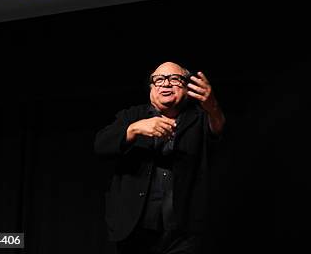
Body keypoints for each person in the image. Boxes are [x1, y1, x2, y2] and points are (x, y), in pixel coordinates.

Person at [94, 61, 226, 254]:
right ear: (151, 87)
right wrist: (135, 129)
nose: (166, 84)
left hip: (184, 232)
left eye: (175, 79)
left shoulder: (199, 118)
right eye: (159, 79)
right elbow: (100, 145)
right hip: (134, 229)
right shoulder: (133, 115)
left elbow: (219, 131)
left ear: (187, 87)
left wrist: (212, 105)